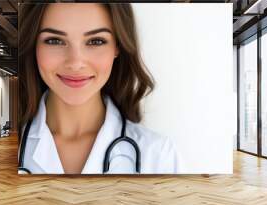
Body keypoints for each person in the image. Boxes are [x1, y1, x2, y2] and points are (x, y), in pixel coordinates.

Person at [18, 3, 181, 174]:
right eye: (54, 40)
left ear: (117, 46)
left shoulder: (159, 155)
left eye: (96, 41)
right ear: (34, 45)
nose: (75, 63)